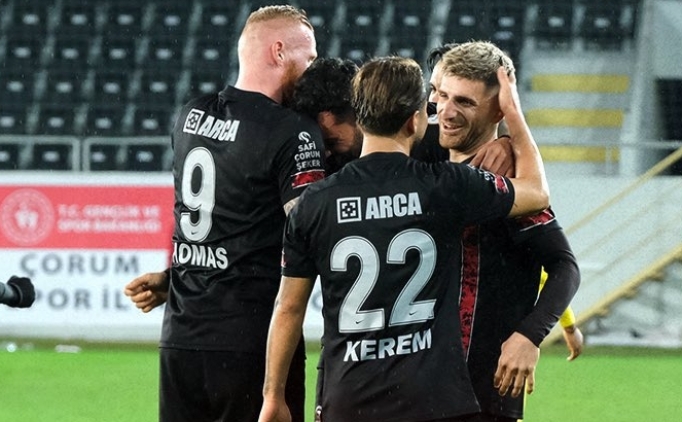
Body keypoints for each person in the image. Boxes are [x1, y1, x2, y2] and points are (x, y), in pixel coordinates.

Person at [258, 56, 549, 422]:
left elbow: (288, 308)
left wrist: (273, 396)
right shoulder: (446, 186)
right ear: (414, 120)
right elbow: (537, 193)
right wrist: (513, 118)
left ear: (360, 117)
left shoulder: (314, 203)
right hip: (431, 400)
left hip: (348, 398)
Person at [125, 5, 324, 422]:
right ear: (278, 51)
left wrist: (174, 277)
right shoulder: (290, 130)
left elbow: (218, 221)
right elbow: (312, 230)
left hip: (181, 340)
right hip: (252, 343)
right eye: (309, 58)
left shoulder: (189, 116)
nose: (313, 70)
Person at [434, 41, 581, 422]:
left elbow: (564, 266)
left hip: (483, 390)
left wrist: (529, 336)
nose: (446, 112)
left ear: (498, 109)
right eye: (443, 96)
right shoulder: (421, 159)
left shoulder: (509, 181)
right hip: (417, 386)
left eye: (464, 102)